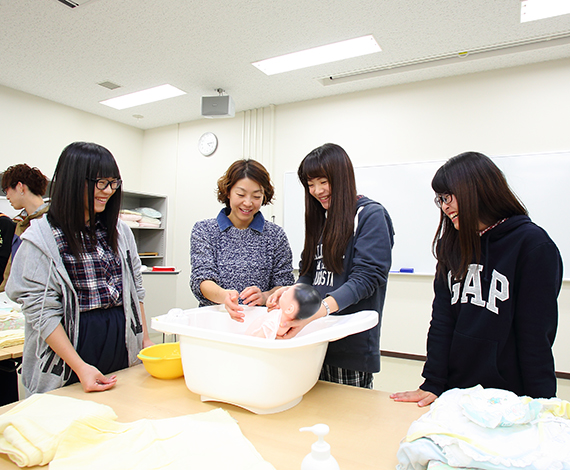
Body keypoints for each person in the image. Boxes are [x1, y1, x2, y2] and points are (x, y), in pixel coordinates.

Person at [391, 151, 562, 407]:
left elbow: (535, 335)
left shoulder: (532, 245)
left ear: (477, 190)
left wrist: (542, 403)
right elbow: (442, 320)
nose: (445, 206)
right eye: (440, 199)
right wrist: (433, 381)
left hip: (510, 397)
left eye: (449, 197)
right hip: (455, 391)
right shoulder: (452, 245)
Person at [6, 142, 153, 395]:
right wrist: (80, 366)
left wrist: (144, 340)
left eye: (113, 182)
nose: (108, 191)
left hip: (120, 346)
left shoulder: (120, 231)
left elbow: (135, 291)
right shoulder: (41, 239)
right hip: (69, 356)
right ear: (73, 180)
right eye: (101, 183)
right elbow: (42, 315)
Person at [268, 143, 394, 389]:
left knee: (346, 422)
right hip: (311, 340)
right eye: (310, 184)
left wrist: (321, 310)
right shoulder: (320, 220)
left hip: (348, 346)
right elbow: (307, 274)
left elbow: (365, 280)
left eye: (323, 181)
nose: (317, 191)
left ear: (342, 177)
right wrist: (291, 293)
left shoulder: (369, 215)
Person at [190, 159, 295, 321]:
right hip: (215, 320)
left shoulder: (275, 235)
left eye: (256, 196)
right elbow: (201, 279)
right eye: (241, 194)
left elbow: (285, 284)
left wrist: (265, 296)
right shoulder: (205, 230)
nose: (248, 203)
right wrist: (224, 296)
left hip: (259, 322)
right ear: (228, 191)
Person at [0, 164, 49, 291]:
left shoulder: (49, 222)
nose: (7, 197)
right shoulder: (21, 224)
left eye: (7, 190)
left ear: (20, 187)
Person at [245, 284, 321, 339]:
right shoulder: (280, 316)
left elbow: (259, 340)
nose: (283, 293)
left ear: (289, 309)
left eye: (286, 294)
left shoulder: (276, 325)